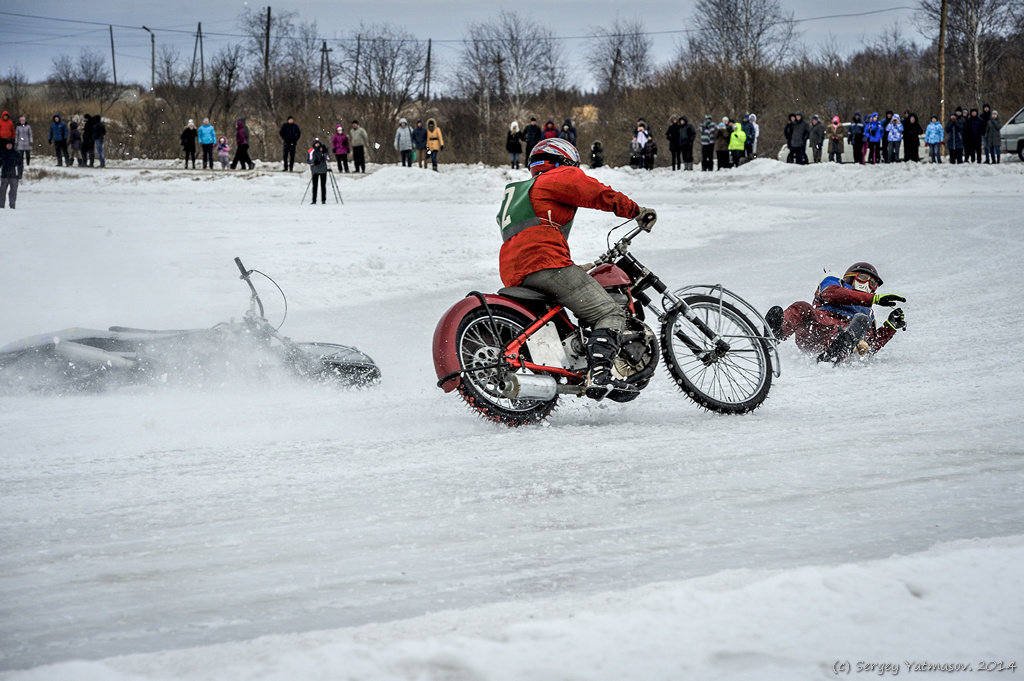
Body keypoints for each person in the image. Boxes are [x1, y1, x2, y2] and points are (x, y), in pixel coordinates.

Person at [495, 138, 656, 399]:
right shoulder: (556, 176)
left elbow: (531, 234)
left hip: (516, 270)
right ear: (564, 159)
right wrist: (636, 211)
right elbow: (595, 192)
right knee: (610, 313)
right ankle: (600, 374)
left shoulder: (521, 192)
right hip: (546, 263)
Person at [765, 262, 906, 364]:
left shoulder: (868, 313)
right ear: (851, 277)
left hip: (841, 334)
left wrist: (890, 326)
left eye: (873, 284)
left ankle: (834, 353)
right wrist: (872, 299)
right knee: (802, 307)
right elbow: (831, 293)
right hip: (817, 325)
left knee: (861, 322)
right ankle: (776, 333)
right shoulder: (836, 283)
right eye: (863, 278)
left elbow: (871, 344)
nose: (868, 285)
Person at [1, 139, 23, 209]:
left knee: (13, 191)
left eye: (10, 145)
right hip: (4, 175)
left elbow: (20, 165)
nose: (9, 146)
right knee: (2, 191)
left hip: (14, 176)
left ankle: (12, 205)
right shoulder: (2, 153)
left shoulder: (17, 154)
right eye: (7, 145)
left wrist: (20, 174)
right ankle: (1, 205)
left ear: (12, 145)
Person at [307, 138, 330, 205]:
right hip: (315, 170)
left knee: (323, 186)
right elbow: (308, 160)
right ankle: (314, 200)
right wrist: (313, 162)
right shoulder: (311, 150)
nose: (317, 144)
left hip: (323, 169)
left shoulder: (323, 149)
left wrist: (325, 152)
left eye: (318, 143)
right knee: (315, 186)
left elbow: (328, 158)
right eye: (316, 143)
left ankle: (323, 200)